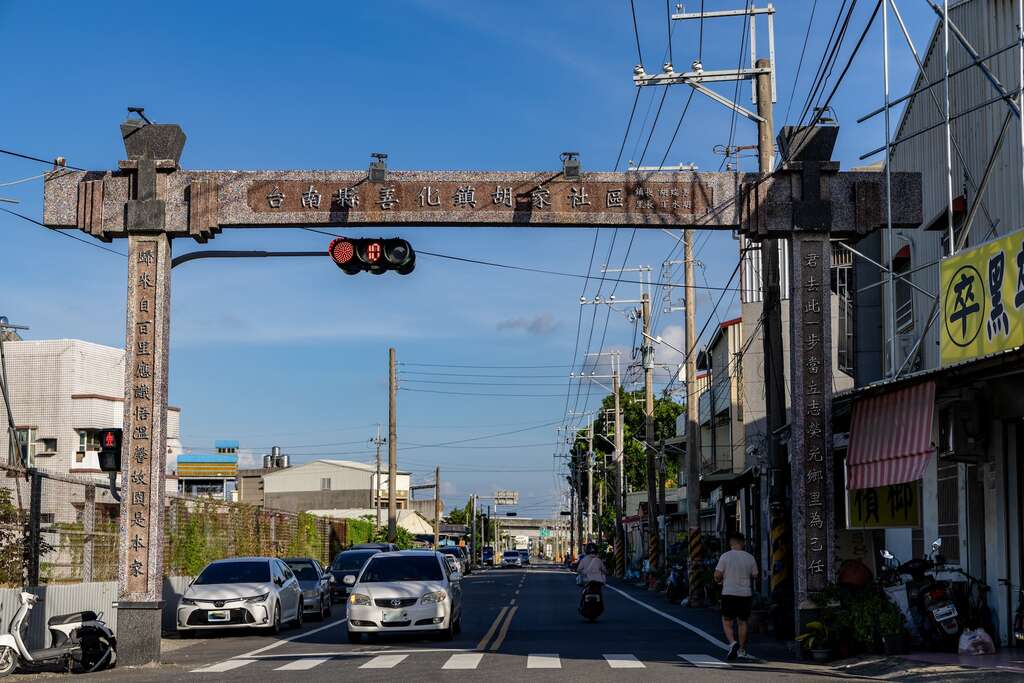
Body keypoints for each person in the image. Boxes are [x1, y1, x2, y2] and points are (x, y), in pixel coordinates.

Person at [714, 531, 759, 661]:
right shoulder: (750, 557)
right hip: (745, 594)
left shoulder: (725, 556)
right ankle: (742, 650)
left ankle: (733, 643)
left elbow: (717, 575)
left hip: (728, 593)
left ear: (731, 543)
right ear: (743, 543)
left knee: (727, 620)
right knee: (742, 622)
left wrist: (719, 581)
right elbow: (755, 575)